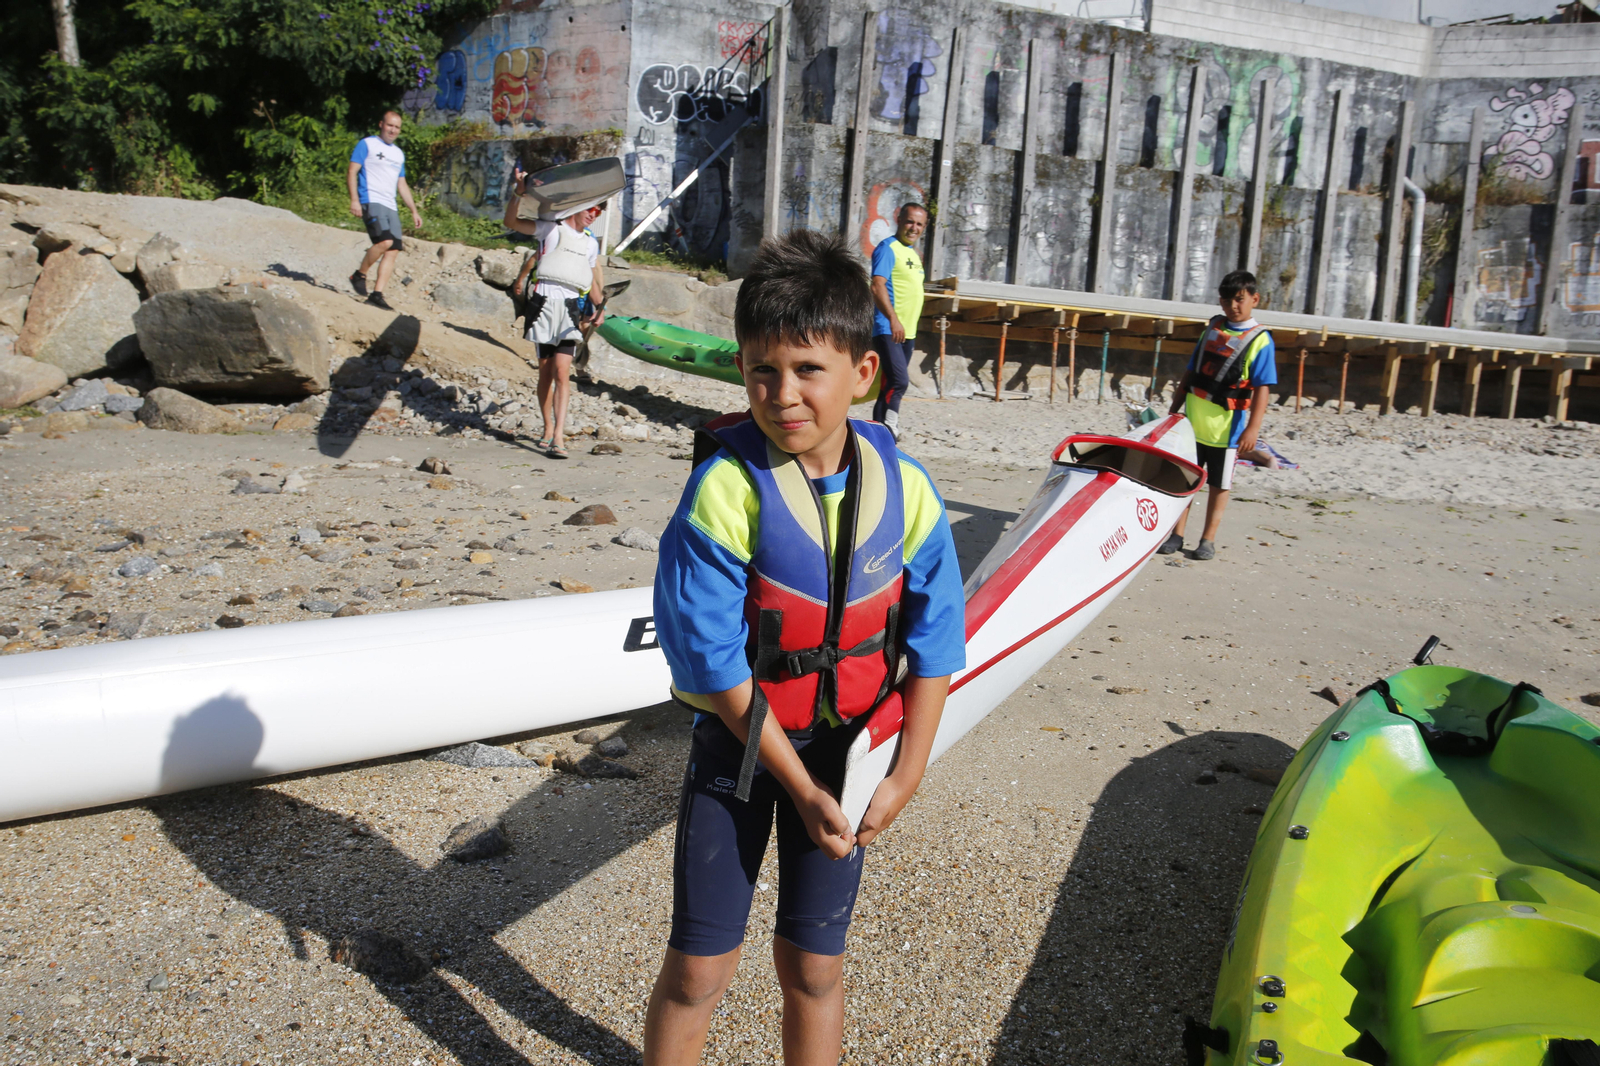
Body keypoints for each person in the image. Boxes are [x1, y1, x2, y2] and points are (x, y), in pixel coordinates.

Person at [644, 230, 966, 1066]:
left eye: (807, 369)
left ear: (863, 373)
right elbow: (712, 663)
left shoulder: (909, 492)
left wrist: (906, 773)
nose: (782, 393)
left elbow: (936, 642)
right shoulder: (723, 491)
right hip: (741, 756)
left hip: (848, 760)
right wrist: (801, 786)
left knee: (816, 968)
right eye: (761, 369)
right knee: (699, 970)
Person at [1161, 270, 1277, 561]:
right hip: (1192, 423)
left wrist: (1253, 429)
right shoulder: (1212, 328)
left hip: (1226, 432)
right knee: (1185, 480)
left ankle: (1207, 540)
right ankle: (1176, 534)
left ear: (1254, 299)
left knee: (1218, 485)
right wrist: (1176, 403)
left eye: (1240, 300)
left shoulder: (1261, 340)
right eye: (1227, 301)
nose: (1233, 307)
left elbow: (1263, 388)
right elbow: (1192, 367)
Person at [503, 163, 606, 459]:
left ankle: (559, 436)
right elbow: (512, 221)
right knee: (546, 373)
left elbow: (591, 282)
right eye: (591, 209)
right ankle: (547, 427)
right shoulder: (550, 229)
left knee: (563, 371)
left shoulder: (590, 244)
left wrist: (598, 308)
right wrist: (518, 193)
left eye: (598, 212)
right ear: (576, 208)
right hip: (544, 303)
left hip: (571, 307)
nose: (593, 214)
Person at [347, 111, 422, 312]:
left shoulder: (398, 154)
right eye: (390, 125)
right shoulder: (367, 144)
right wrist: (354, 199)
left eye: (397, 127)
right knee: (384, 241)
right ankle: (359, 275)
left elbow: (402, 184)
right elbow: (352, 171)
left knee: (393, 249)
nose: (393, 130)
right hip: (371, 199)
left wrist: (414, 211)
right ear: (381, 124)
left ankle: (377, 294)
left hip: (391, 205)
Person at [868, 203, 928, 440]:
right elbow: (877, 285)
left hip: (908, 331)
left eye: (919, 224)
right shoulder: (887, 248)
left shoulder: (913, 253)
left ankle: (879, 432)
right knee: (899, 380)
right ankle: (889, 427)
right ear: (899, 220)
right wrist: (893, 319)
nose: (914, 228)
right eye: (910, 221)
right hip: (888, 327)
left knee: (889, 384)